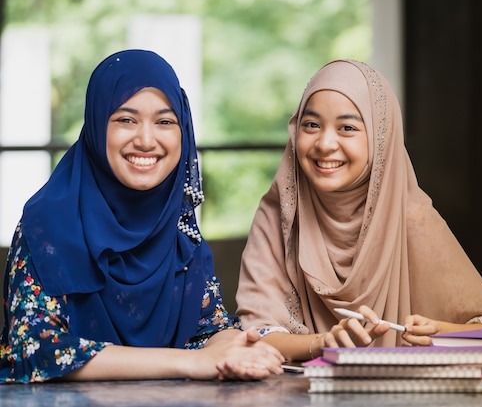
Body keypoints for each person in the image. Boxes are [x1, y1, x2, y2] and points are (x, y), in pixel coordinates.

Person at [0, 49, 284, 383]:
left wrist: (238, 349)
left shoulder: (179, 235)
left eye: (165, 121)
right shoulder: (47, 227)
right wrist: (189, 363)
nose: (146, 140)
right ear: (95, 125)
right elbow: (33, 349)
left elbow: (210, 329)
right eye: (125, 120)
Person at [235, 59, 482, 361]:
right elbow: (255, 333)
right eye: (312, 125)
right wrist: (323, 343)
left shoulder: (410, 217)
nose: (325, 143)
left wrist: (440, 331)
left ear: (381, 140)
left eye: (347, 128)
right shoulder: (281, 215)